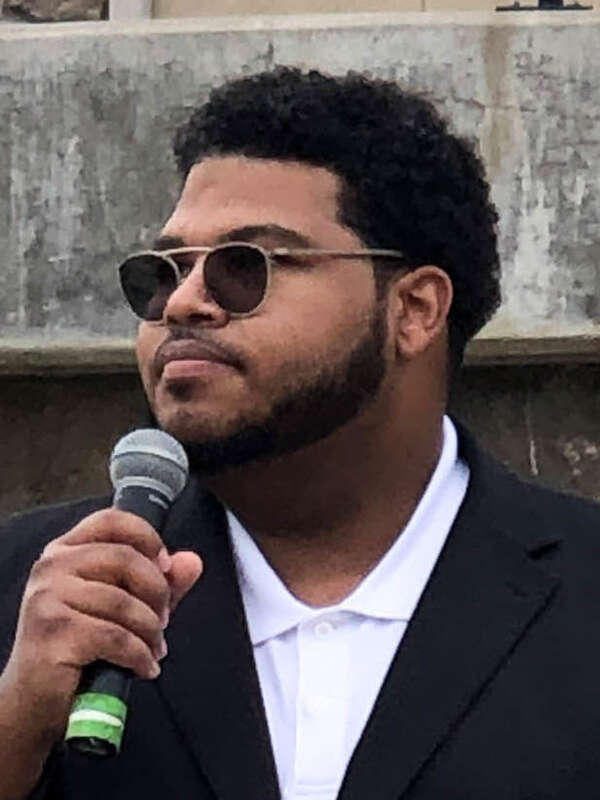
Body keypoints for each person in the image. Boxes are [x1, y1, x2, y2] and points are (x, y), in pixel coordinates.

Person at [1, 66, 599, 800]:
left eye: (244, 267)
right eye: (163, 272)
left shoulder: (582, 593)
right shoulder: (32, 594)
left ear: (414, 310)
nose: (184, 303)